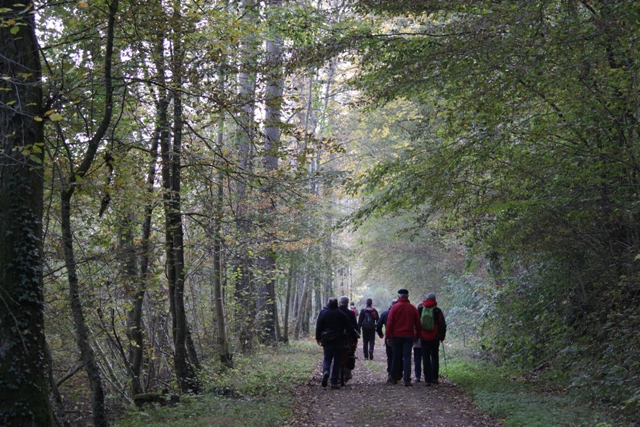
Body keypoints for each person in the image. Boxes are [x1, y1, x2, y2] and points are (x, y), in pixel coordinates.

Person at [316, 297, 359, 389]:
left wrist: (318, 337)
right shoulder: (341, 314)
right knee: (337, 361)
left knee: (327, 358)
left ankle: (326, 371)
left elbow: (318, 325)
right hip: (339, 340)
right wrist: (354, 336)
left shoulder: (325, 313)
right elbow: (349, 327)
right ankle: (333, 382)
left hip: (327, 340)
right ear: (337, 303)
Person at [385, 289, 422, 386]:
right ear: (407, 296)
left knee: (396, 357)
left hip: (396, 336)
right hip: (409, 336)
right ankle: (407, 379)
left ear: (398, 296)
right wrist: (417, 335)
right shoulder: (413, 308)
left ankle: (393, 378)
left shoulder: (394, 308)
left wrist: (388, 336)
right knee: (407, 357)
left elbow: (390, 323)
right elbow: (418, 323)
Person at [418, 293, 447, 386]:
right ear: (435, 299)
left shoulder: (420, 309)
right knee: (434, 356)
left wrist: (417, 335)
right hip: (435, 337)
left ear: (426, 299)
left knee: (425, 357)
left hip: (423, 336)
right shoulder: (438, 310)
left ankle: (427, 380)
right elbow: (443, 325)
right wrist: (442, 337)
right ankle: (435, 378)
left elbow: (416, 322)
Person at [338, 296, 359, 381]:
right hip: (348, 337)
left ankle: (336, 374)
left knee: (336, 354)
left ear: (340, 302)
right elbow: (354, 326)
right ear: (347, 303)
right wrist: (355, 337)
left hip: (337, 337)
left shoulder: (336, 311)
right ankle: (348, 372)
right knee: (350, 352)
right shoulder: (350, 313)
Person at [376, 299, 396, 381]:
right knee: (399, 355)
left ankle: (391, 373)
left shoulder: (385, 313)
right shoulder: (401, 313)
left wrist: (380, 334)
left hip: (390, 336)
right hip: (400, 336)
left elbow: (378, 325)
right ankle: (398, 373)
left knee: (390, 355)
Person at [413, 303, 423, 382]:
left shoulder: (415, 317)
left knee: (417, 359)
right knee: (426, 359)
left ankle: (417, 376)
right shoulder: (430, 316)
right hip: (427, 340)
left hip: (417, 342)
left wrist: (415, 337)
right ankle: (428, 377)